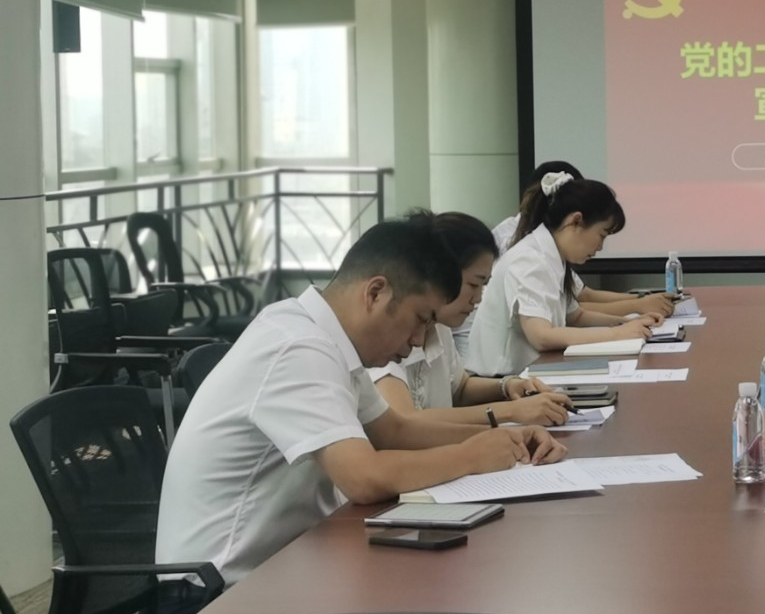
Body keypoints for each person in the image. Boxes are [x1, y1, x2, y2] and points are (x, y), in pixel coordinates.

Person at [156, 219, 567, 590]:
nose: (415, 341)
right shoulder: (297, 347)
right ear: (375, 292)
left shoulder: (326, 337)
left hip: (289, 563)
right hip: (214, 593)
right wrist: (471, 456)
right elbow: (363, 478)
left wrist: (506, 437)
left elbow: (395, 431)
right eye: (420, 319)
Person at [370, 211, 574, 427]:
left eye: (483, 285)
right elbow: (405, 420)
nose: (478, 299)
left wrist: (509, 386)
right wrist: (510, 411)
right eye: (473, 285)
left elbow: (460, 389)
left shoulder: (439, 328)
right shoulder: (390, 336)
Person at [464, 171, 657, 373]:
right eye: (601, 235)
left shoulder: (553, 256)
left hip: (530, 374)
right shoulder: (530, 260)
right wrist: (617, 334)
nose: (600, 247)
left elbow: (576, 316)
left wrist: (625, 323)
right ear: (576, 221)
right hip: (499, 382)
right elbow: (542, 337)